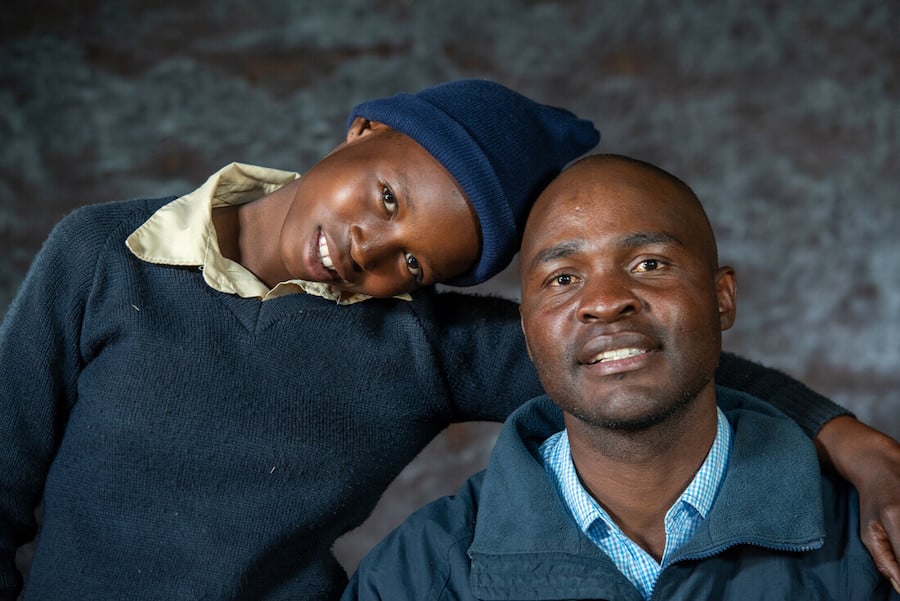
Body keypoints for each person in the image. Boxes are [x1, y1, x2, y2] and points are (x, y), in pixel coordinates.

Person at [0, 79, 895, 600]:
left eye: (414, 267)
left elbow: (645, 360)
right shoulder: (104, 255)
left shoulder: (414, 345)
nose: (370, 250)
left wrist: (853, 443)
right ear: (364, 131)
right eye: (387, 198)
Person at [342, 154, 900, 600]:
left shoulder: (873, 544)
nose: (605, 303)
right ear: (528, 331)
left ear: (722, 298)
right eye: (562, 278)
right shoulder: (416, 575)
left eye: (649, 265)